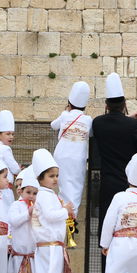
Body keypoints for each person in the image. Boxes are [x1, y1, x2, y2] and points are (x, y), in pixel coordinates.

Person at [91, 72, 137, 228]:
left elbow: (111, 126)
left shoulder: (97, 123)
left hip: (108, 183)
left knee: (108, 221)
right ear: (124, 104)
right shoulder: (132, 125)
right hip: (129, 183)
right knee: (128, 223)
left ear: (106, 105)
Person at [29, 149, 74, 273]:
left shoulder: (49, 195)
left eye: (56, 175)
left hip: (52, 244)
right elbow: (49, 216)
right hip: (48, 244)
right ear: (40, 178)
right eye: (51, 176)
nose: (55, 179)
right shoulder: (45, 196)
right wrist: (65, 211)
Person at [51, 82, 93, 210]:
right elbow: (91, 134)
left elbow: (53, 125)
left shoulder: (65, 115)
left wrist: (66, 112)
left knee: (63, 188)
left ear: (69, 103)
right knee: (76, 188)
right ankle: (71, 216)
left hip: (61, 156)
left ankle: (63, 213)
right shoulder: (88, 120)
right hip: (77, 158)